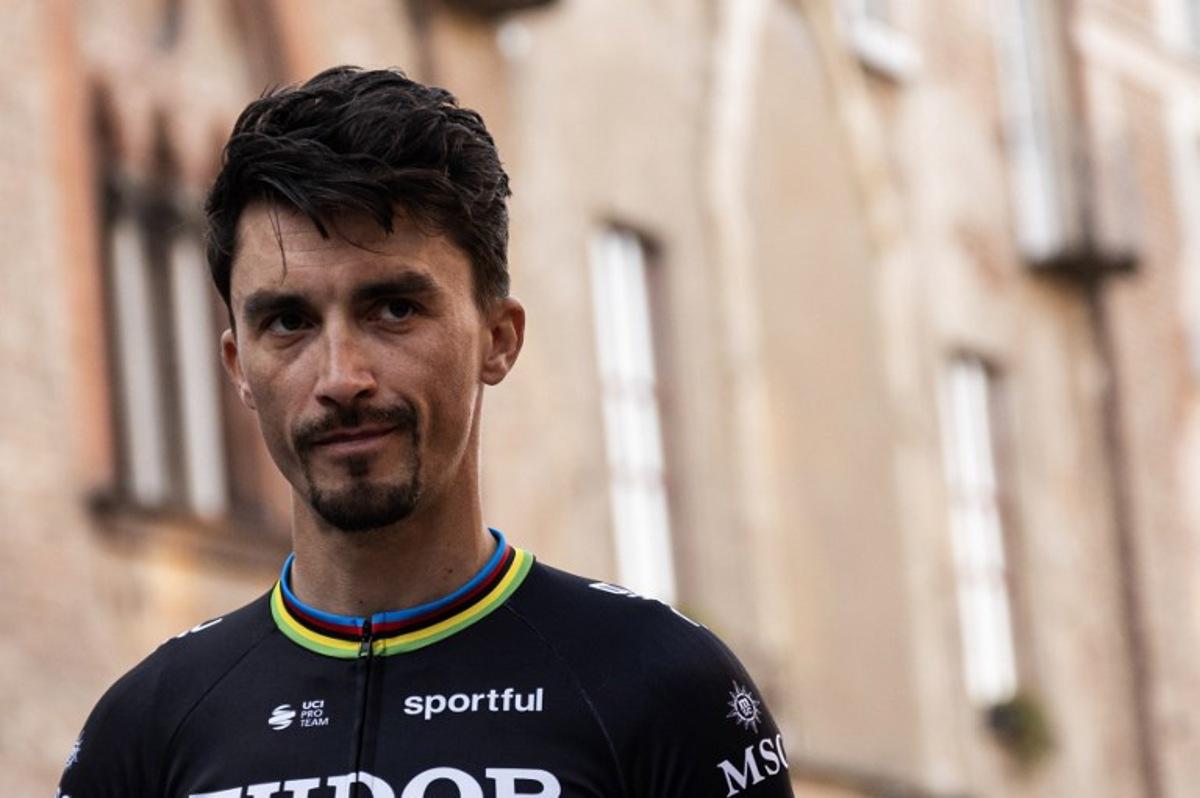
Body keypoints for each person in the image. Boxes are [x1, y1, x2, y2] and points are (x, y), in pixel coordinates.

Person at [56, 66, 794, 798]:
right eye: (288, 321)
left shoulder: (663, 688)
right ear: (238, 366)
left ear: (498, 338)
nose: (341, 376)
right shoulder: (145, 731)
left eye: (394, 309)